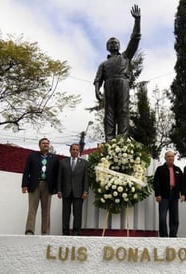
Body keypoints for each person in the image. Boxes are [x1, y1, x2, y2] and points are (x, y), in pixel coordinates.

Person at [93, 5, 141, 142]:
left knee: (123, 111)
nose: (114, 44)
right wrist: (97, 90)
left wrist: (137, 21)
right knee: (109, 113)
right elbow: (98, 79)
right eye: (111, 43)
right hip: (108, 84)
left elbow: (135, 39)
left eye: (116, 42)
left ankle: (122, 140)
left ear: (119, 46)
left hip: (122, 83)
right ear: (108, 47)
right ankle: (110, 141)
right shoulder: (103, 64)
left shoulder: (125, 57)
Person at [21, 138, 59, 235]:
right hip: (34, 185)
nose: (45, 145)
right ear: (39, 145)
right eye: (43, 143)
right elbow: (26, 171)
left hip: (48, 186)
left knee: (46, 210)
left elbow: (57, 174)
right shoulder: (32, 156)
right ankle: (29, 231)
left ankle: (45, 232)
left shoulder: (54, 158)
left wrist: (57, 188)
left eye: (47, 143)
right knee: (32, 209)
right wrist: (24, 184)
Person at [57, 144, 89, 236]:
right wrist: (59, 190)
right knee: (66, 213)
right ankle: (65, 231)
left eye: (77, 150)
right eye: (73, 149)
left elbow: (86, 178)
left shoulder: (84, 163)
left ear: (79, 151)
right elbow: (59, 177)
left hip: (79, 192)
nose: (75, 151)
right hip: (66, 191)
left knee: (77, 213)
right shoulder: (63, 162)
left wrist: (85, 191)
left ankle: (76, 231)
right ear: (70, 150)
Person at [153, 151, 184, 237]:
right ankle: (163, 235)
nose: (171, 158)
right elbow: (156, 183)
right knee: (162, 218)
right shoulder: (160, 169)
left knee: (175, 218)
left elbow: (182, 183)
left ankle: (173, 235)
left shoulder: (178, 170)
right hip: (163, 196)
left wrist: (183, 194)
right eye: (169, 156)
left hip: (174, 195)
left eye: (172, 156)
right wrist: (157, 194)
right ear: (165, 158)